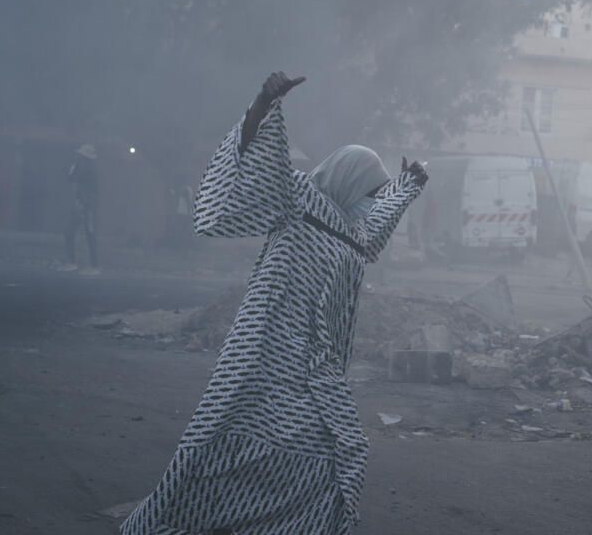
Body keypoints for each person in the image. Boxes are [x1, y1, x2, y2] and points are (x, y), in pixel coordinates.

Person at [122, 71, 428, 535]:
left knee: (334, 449)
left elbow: (381, 215)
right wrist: (264, 105)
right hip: (262, 357)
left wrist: (409, 184)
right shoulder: (298, 201)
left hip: (315, 369)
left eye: (377, 194)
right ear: (348, 181)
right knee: (222, 441)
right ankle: (170, 518)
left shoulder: (355, 232)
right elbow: (255, 164)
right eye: (371, 190)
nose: (375, 201)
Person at [59, 144, 100, 275]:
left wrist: (73, 167)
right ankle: (88, 265)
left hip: (85, 206)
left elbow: (71, 178)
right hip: (84, 205)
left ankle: (89, 265)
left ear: (83, 157)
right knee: (82, 233)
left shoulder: (84, 168)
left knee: (85, 234)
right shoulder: (90, 168)